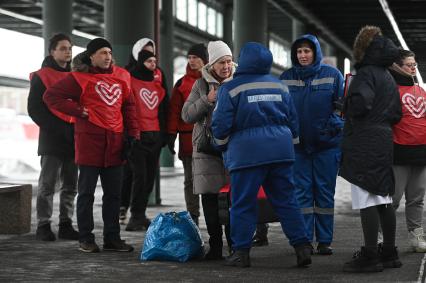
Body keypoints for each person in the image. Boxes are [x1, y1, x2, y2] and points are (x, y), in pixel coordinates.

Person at [211, 42, 312, 268]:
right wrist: (289, 145)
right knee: (287, 201)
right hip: (281, 152)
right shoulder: (280, 86)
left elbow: (220, 125)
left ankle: (241, 253)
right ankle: (302, 246)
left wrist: (221, 145)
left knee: (242, 204)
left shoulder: (231, 88)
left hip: (247, 154)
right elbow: (293, 121)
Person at [44, 38, 139, 253]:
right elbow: (51, 96)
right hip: (89, 142)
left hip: (115, 143)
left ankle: (112, 238)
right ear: (91, 56)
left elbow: (130, 107)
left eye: (109, 52)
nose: (107, 57)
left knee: (114, 195)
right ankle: (85, 238)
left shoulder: (122, 76)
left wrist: (133, 134)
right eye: (102, 53)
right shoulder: (78, 77)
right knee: (86, 193)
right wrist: (78, 111)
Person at [340, 26, 402, 272]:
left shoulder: (366, 73)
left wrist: (346, 104)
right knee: (383, 197)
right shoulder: (388, 76)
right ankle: (389, 252)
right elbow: (397, 113)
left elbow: (361, 103)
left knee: (366, 197)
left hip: (365, 139)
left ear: (362, 49)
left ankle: (369, 256)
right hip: (384, 138)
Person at [279, 34, 344, 255]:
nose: (303, 55)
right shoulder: (285, 77)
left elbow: (342, 106)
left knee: (325, 194)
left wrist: (334, 123)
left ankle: (325, 240)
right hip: (297, 147)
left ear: (315, 52)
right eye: (299, 52)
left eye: (307, 51)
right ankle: (305, 240)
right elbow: (280, 109)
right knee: (302, 195)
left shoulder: (332, 75)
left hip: (327, 145)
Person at [181, 40, 234, 259]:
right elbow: (187, 115)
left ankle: (235, 246)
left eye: (229, 61)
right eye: (221, 62)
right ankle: (216, 247)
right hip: (206, 150)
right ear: (212, 64)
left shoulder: (238, 81)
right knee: (210, 202)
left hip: (232, 150)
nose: (226, 67)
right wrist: (207, 100)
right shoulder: (201, 85)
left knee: (233, 202)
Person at [27, 33, 79, 241]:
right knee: (48, 184)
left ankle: (66, 224)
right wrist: (58, 128)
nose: (68, 52)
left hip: (75, 138)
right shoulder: (42, 76)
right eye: (63, 48)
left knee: (71, 185)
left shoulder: (76, 75)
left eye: (69, 48)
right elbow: (34, 108)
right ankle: (43, 224)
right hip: (52, 138)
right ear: (52, 51)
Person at [124, 39, 169, 231]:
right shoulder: (128, 78)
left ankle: (140, 214)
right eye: (147, 58)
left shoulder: (158, 83)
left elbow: (164, 108)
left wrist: (165, 135)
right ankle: (134, 214)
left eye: (154, 59)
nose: (153, 64)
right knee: (139, 176)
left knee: (149, 177)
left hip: (155, 135)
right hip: (137, 136)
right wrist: (129, 134)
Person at [388, 49, 426, 252]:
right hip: (399, 152)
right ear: (397, 66)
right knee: (392, 200)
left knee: (417, 198)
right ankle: (385, 237)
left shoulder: (420, 91)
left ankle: (416, 235)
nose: (413, 68)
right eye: (409, 65)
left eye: (414, 65)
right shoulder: (391, 90)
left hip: (421, 152)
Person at [167, 43, 208, 226]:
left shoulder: (212, 80)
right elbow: (174, 111)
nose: (192, 61)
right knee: (190, 181)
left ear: (204, 60)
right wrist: (170, 134)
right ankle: (193, 218)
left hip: (210, 140)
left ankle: (213, 218)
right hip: (188, 140)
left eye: (196, 57)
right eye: (190, 57)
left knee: (210, 180)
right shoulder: (181, 84)